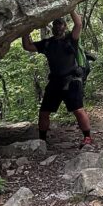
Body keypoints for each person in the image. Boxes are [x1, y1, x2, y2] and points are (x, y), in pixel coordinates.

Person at [22, 9, 93, 147]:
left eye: (60, 24)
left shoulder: (71, 40)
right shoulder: (47, 43)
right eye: (55, 24)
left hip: (72, 80)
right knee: (44, 113)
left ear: (65, 27)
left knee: (78, 110)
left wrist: (70, 7)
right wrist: (25, 30)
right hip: (55, 82)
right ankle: (42, 140)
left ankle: (87, 137)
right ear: (52, 28)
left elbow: (78, 24)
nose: (58, 26)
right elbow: (27, 46)